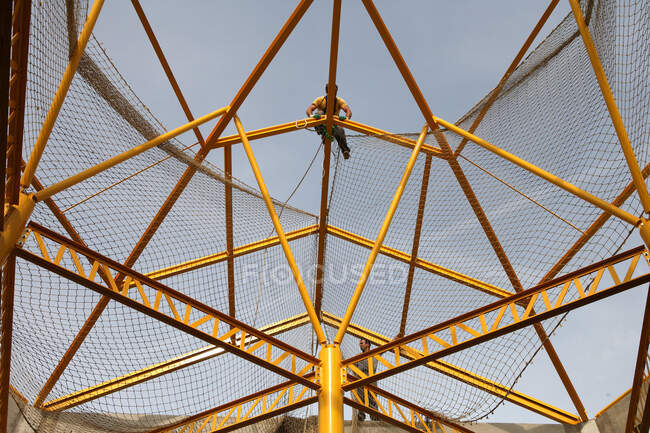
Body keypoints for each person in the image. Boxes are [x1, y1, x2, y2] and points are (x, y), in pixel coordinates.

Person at [306, 84, 353, 159]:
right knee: (319, 113)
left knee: (340, 130)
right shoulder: (320, 100)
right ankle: (324, 133)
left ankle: (345, 150)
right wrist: (312, 116)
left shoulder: (339, 101)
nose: (333, 93)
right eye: (331, 91)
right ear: (326, 91)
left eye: (335, 91)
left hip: (334, 124)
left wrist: (346, 118)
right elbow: (309, 110)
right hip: (322, 122)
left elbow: (348, 110)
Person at [355, 337, 379, 421]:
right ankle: (361, 417)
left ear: (367, 345)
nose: (360, 345)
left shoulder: (375, 354)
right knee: (360, 399)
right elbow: (353, 368)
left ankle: (375, 418)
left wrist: (395, 339)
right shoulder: (358, 357)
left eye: (362, 343)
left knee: (372, 399)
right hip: (360, 379)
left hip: (371, 378)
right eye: (360, 343)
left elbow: (385, 348)